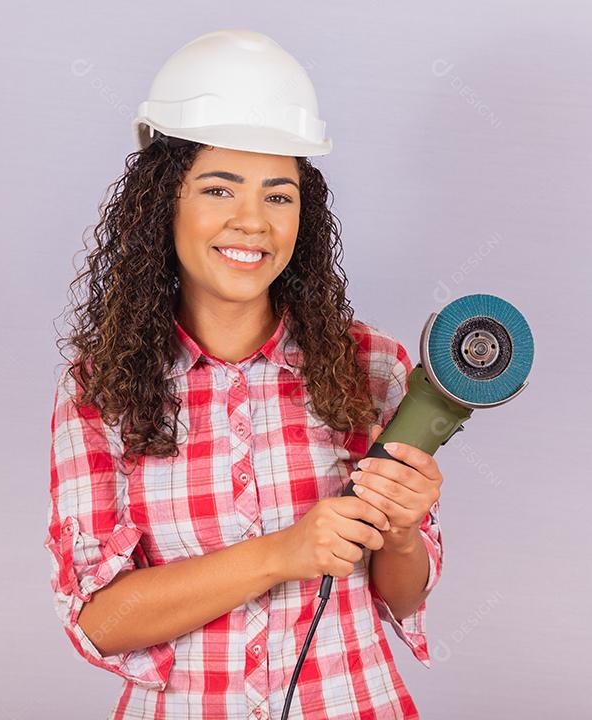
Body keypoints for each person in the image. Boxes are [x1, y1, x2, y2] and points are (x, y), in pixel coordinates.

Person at [43, 29, 445, 719]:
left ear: (304, 214)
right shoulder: (101, 388)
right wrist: (283, 553)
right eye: (219, 189)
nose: (252, 222)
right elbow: (98, 620)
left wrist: (404, 530)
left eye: (278, 195)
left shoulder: (373, 368)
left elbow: (401, 596)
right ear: (164, 202)